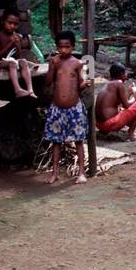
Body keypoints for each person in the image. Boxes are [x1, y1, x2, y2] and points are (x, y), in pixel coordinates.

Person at [43, 30, 91, 184]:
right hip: (57, 108)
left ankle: (81, 172)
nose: (63, 50)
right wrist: (52, 66)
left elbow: (79, 84)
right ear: (57, 47)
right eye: (60, 47)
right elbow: (48, 82)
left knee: (78, 140)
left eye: (67, 47)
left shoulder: (77, 63)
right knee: (56, 141)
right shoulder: (55, 62)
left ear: (73, 46)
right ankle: (55, 172)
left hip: (74, 107)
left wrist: (85, 84)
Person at [95, 62, 136, 141]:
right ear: (121, 74)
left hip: (99, 125)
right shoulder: (118, 83)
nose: (126, 75)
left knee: (122, 110)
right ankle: (131, 133)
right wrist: (135, 97)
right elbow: (126, 106)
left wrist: (129, 93)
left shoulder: (109, 84)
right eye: (125, 73)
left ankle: (104, 132)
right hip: (109, 124)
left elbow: (120, 104)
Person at [0, 11, 36, 99]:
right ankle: (17, 90)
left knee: (23, 61)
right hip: (0, 62)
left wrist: (18, 45)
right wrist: (10, 43)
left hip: (12, 60)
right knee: (13, 64)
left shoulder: (18, 36)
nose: (12, 26)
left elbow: (18, 57)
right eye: (10, 23)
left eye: (15, 24)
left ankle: (30, 90)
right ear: (3, 22)